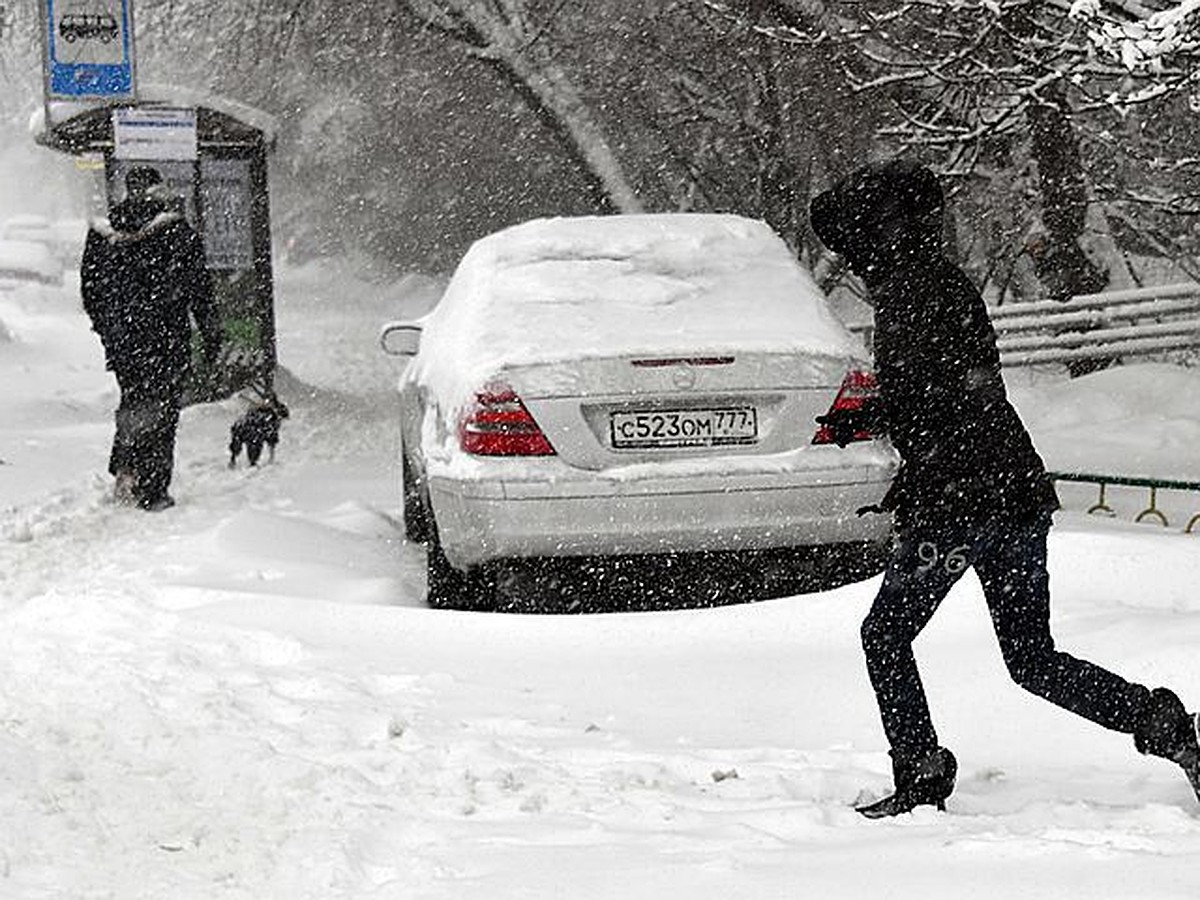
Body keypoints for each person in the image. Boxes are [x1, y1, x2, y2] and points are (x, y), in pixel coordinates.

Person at [808, 158, 1200, 818]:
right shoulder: (943, 282)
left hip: (959, 504)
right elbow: (966, 391)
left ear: (882, 232)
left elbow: (934, 401)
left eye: (856, 243)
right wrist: (880, 413)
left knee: (884, 636)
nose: (853, 259)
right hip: (1014, 491)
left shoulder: (909, 293)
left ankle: (921, 769)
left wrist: (872, 416)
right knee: (1032, 659)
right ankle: (1164, 724)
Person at [81, 166, 220, 511]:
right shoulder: (177, 232)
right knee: (163, 410)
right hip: (167, 338)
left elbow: (90, 289)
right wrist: (210, 333)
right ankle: (153, 489)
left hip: (124, 341)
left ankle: (126, 470)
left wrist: (107, 329)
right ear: (158, 190)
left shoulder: (103, 233)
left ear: (128, 190)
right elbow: (200, 289)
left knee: (133, 400)